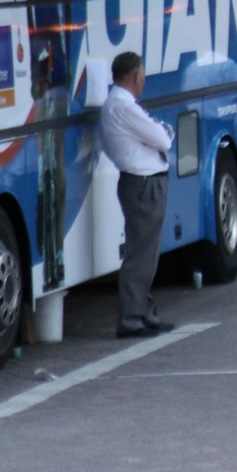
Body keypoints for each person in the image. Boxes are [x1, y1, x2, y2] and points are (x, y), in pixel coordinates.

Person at [99, 51, 176, 338]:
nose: (144, 79)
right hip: (143, 185)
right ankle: (132, 319)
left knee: (146, 253)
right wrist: (161, 130)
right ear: (135, 76)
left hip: (141, 183)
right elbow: (163, 138)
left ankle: (144, 313)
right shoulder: (124, 106)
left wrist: (158, 132)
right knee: (141, 255)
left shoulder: (119, 104)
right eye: (143, 74)